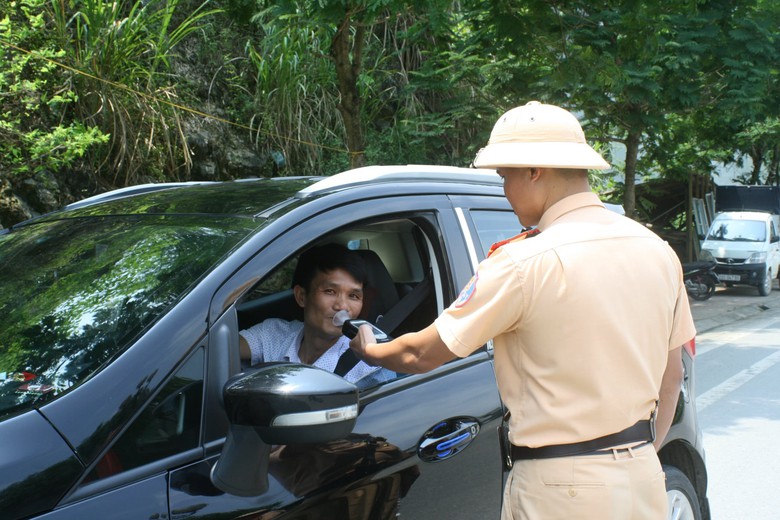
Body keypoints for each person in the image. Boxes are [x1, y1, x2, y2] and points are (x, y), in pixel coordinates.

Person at [349, 101, 695, 519]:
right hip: (641, 477)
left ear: (535, 170)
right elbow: (671, 376)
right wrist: (633, 457)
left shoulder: (522, 263)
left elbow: (420, 354)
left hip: (560, 489)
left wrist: (368, 348)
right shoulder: (657, 251)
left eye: (505, 175)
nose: (504, 189)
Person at [240, 243, 393, 386]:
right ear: (301, 296)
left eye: (353, 296)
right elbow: (221, 351)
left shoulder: (369, 368)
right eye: (330, 291)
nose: (342, 306)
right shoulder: (274, 333)